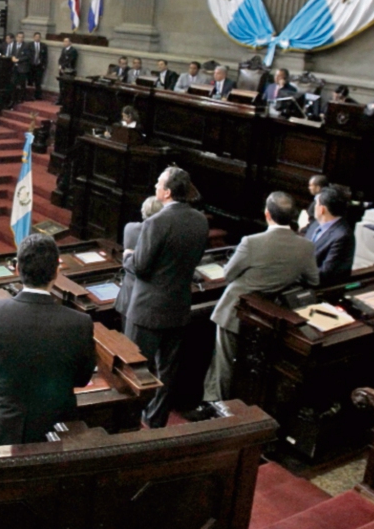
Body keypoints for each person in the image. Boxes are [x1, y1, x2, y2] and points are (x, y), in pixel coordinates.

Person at [189, 191, 319, 417]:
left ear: (267, 214)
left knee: (223, 362)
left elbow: (229, 274)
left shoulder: (252, 242)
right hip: (270, 316)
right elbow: (313, 280)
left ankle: (215, 407)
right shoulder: (306, 246)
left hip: (234, 310)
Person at [0, 233, 96, 446]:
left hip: (5, 425)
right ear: (57, 272)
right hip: (58, 427)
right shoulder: (80, 323)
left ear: (18, 269)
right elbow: (82, 379)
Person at [122, 168, 210, 428]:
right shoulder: (200, 220)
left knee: (136, 369)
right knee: (166, 373)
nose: (155, 185)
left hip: (147, 310)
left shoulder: (156, 222)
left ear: (168, 191)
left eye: (158, 182)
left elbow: (141, 267)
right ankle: (156, 422)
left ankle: (128, 425)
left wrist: (127, 257)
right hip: (178, 306)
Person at [116, 195, 163, 318]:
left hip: (130, 293)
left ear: (143, 211)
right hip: (152, 299)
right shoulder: (164, 235)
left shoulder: (130, 228)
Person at [304, 187, 356, 286]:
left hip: (321, 287)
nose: (314, 206)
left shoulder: (342, 236)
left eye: (316, 203)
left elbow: (326, 274)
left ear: (322, 209)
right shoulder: (316, 224)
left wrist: (294, 272)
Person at [6, 32, 32, 106]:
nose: (20, 38)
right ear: (16, 38)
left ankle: (21, 98)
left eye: (22, 37)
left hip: (22, 67)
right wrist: (12, 57)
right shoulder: (13, 45)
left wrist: (19, 60)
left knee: (21, 84)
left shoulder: (26, 46)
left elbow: (28, 56)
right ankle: (13, 98)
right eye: (19, 37)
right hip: (14, 67)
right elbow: (10, 53)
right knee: (13, 82)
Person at [29, 32, 47, 100]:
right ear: (33, 37)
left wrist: (44, 65)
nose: (37, 38)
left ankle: (38, 96)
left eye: (39, 37)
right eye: (36, 37)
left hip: (39, 66)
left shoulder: (43, 46)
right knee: (30, 81)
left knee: (38, 81)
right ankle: (30, 95)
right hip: (31, 65)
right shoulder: (30, 45)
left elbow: (45, 57)